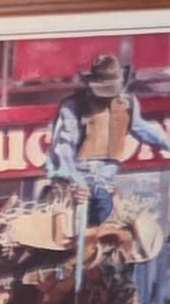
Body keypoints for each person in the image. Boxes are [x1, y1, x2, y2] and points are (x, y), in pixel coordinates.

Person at [45, 52, 170, 226]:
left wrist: (167, 143)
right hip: (80, 176)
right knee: (97, 208)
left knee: (114, 217)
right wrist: (74, 180)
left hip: (106, 178)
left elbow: (141, 128)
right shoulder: (73, 106)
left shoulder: (128, 103)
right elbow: (63, 148)